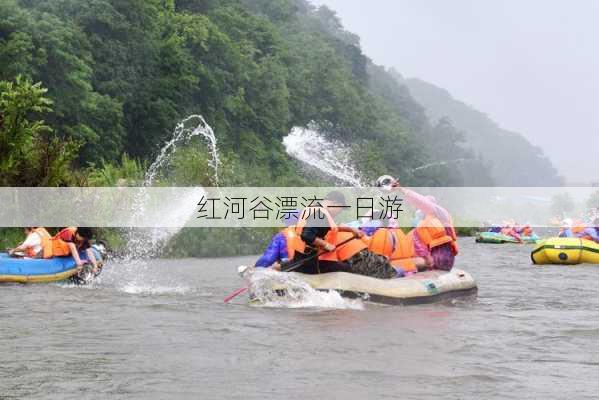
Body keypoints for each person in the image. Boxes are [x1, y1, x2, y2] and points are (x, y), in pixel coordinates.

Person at [288, 191, 401, 279]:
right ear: (335, 204)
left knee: (347, 267)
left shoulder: (315, 209)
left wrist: (351, 229)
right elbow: (307, 235)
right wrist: (326, 245)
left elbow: (327, 228)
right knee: (352, 271)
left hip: (302, 256)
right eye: (340, 209)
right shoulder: (320, 214)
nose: (339, 212)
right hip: (314, 261)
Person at [377, 175, 459, 271]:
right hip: (432, 261)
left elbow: (420, 201)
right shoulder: (421, 225)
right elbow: (419, 247)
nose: (420, 209)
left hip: (442, 259)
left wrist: (402, 190)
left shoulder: (440, 213)